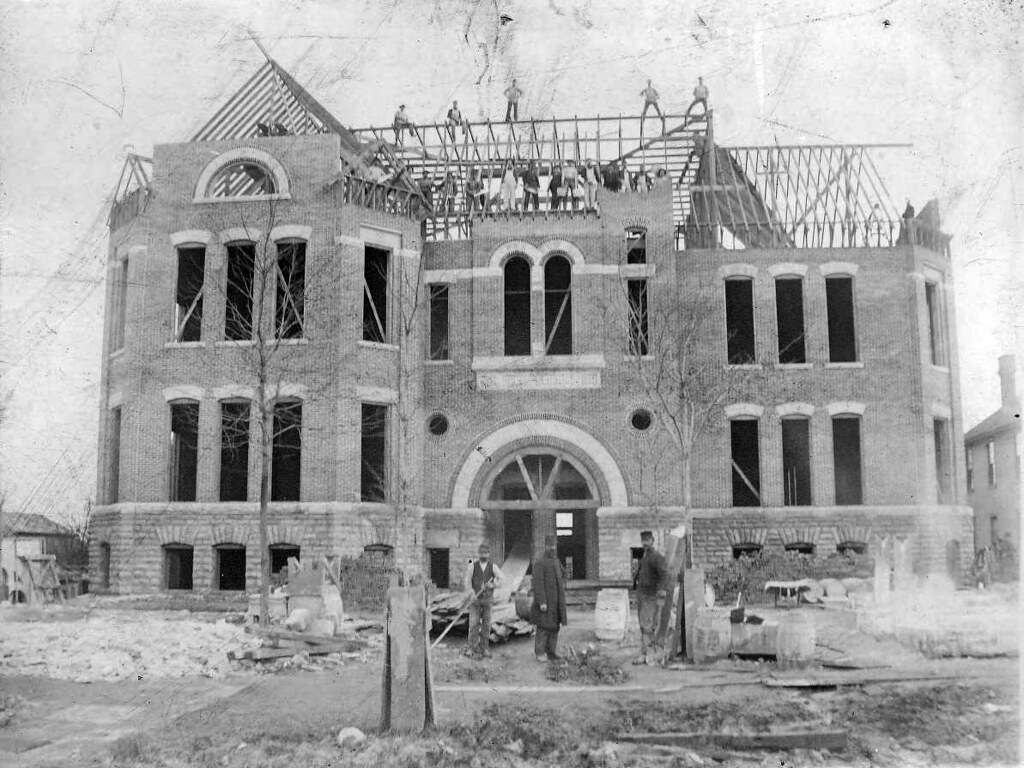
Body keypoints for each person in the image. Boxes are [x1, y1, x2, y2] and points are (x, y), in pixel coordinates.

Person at [463, 543, 505, 658]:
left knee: (486, 624)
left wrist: (493, 585)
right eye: (482, 553)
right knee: (473, 624)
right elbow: (467, 581)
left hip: (487, 600)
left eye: (486, 553)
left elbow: (502, 579)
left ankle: (484, 648)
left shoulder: (493, 566)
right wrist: (471, 593)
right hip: (475, 600)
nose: (484, 555)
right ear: (478, 554)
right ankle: (471, 648)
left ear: (489, 554)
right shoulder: (472, 565)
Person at [632, 530, 668, 665]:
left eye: (647, 540)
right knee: (643, 624)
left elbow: (665, 573)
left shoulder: (656, 557)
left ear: (652, 540)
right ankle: (646, 652)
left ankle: (648, 654)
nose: (645, 543)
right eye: (643, 540)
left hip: (650, 595)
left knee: (647, 624)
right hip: (642, 594)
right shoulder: (646, 556)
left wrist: (662, 590)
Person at [531, 535, 567, 661]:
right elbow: (537, 583)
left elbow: (563, 573)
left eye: (554, 545)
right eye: (550, 545)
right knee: (543, 627)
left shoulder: (556, 560)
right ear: (545, 546)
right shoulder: (539, 561)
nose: (552, 548)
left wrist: (564, 578)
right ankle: (540, 652)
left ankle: (551, 652)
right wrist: (542, 601)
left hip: (556, 601)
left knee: (555, 626)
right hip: (546, 601)